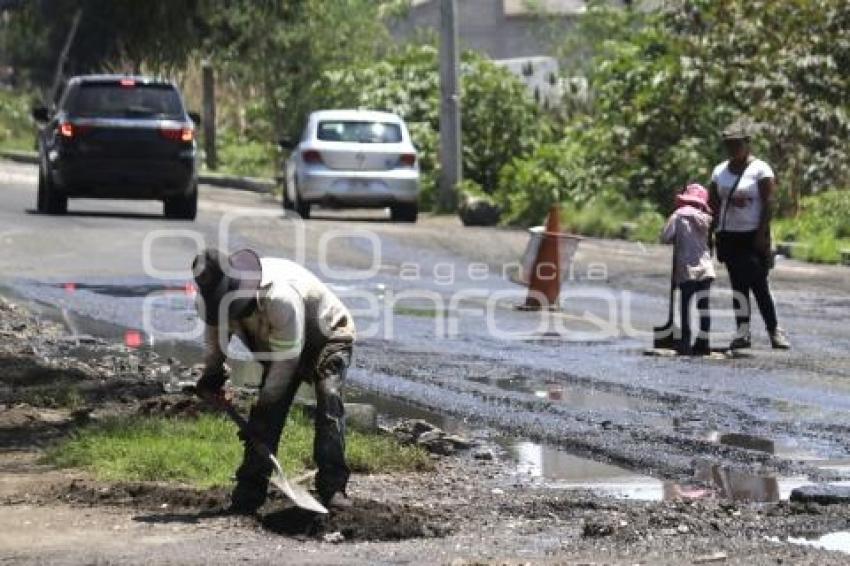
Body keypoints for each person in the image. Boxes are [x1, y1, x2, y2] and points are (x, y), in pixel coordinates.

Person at [192, 248, 356, 514]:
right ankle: (249, 493)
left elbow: (286, 362)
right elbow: (214, 342)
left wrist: (264, 411)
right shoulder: (212, 302)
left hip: (326, 333)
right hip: (278, 345)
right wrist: (211, 376)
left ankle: (332, 487)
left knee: (328, 397)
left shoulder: (279, 297)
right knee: (266, 417)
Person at [709, 121, 790, 350]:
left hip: (752, 236)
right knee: (738, 287)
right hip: (728, 236)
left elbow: (769, 203)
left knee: (759, 284)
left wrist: (762, 235)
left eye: (737, 144)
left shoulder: (761, 170)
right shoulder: (719, 171)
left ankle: (774, 331)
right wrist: (709, 235)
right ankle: (743, 332)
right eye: (729, 145)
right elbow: (713, 205)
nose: (733, 149)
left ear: (747, 143)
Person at [662, 183, 715, 355]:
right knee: (703, 306)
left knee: (685, 306)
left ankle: (685, 341)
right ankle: (704, 342)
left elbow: (665, 237)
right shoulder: (706, 219)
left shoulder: (678, 216)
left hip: (687, 268)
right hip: (706, 268)